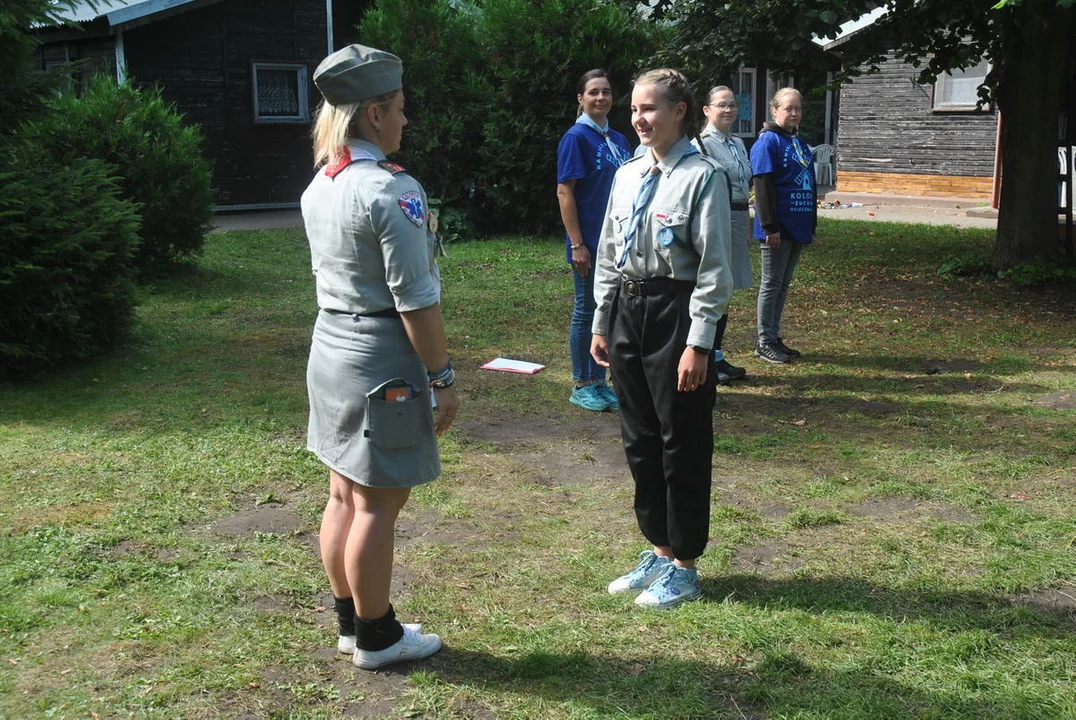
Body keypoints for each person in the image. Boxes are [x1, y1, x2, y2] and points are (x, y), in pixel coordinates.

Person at [301, 44, 460, 670]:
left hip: (332, 348)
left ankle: (352, 622)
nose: (405, 119)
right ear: (372, 114)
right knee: (376, 502)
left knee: (343, 493)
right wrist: (442, 376)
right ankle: (377, 636)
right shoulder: (392, 189)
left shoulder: (324, 181)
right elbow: (417, 301)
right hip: (380, 360)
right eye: (398, 108)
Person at [591, 68, 733, 609]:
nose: (639, 119)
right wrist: (603, 321)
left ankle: (686, 565)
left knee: (683, 440)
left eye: (650, 108)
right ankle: (659, 547)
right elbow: (610, 251)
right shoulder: (627, 175)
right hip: (629, 308)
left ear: (679, 111)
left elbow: (715, 270)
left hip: (675, 312)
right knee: (640, 438)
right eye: (633, 110)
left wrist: (700, 344)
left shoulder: (703, 177)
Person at [556, 69, 632, 412]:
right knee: (587, 310)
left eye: (606, 91)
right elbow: (565, 191)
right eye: (593, 92)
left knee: (611, 311)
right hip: (589, 243)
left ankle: (601, 381)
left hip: (618, 241)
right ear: (581, 99)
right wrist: (577, 244)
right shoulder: (576, 138)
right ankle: (582, 382)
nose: (601, 98)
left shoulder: (617, 138)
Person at [750, 87, 816, 364]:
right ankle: (764, 341)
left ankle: (775, 337)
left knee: (783, 284)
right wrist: (769, 227)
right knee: (771, 283)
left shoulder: (797, 143)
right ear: (774, 110)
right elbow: (763, 187)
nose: (794, 113)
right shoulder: (768, 143)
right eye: (788, 108)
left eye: (797, 108)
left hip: (797, 226)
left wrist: (810, 224)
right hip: (777, 227)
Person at [697, 85, 754, 384]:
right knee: (715, 288)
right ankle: (705, 358)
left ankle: (716, 355)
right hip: (718, 218)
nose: (729, 110)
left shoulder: (739, 144)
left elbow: (744, 187)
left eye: (733, 104)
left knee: (727, 291)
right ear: (707, 110)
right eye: (722, 105)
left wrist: (747, 225)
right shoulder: (702, 145)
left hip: (738, 217)